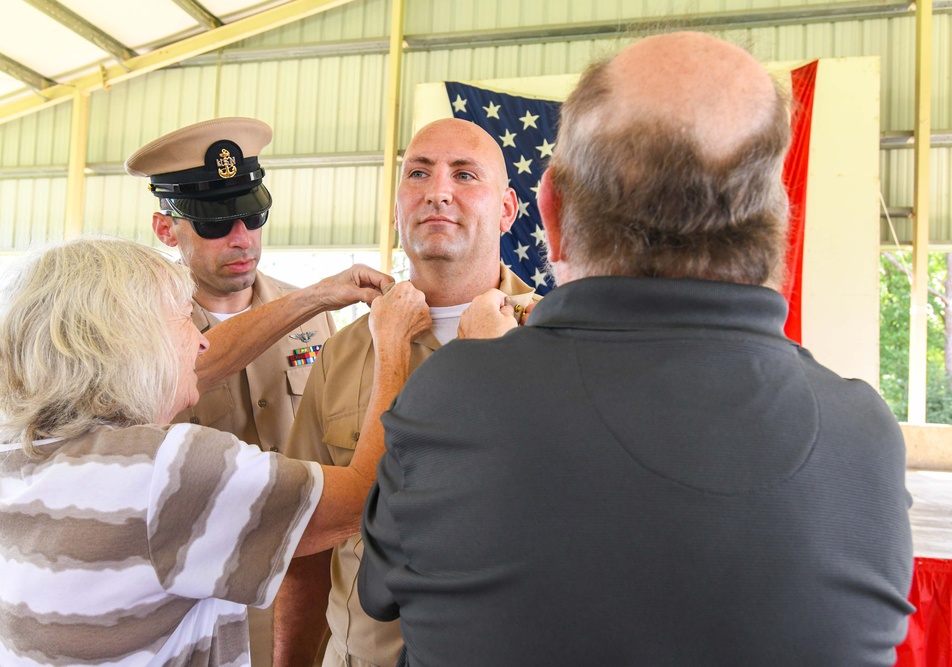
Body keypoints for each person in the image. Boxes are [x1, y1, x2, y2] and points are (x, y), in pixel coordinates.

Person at [358, 32, 915, 666]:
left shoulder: (454, 392)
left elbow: (379, 592)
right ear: (774, 223)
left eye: (464, 175)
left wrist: (472, 374)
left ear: (549, 210)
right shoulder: (865, 437)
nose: (439, 192)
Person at [0, 237, 431, 666]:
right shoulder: (164, 472)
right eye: (180, 318)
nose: (202, 339)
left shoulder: (9, 460)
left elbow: (191, 372)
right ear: (126, 343)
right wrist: (390, 347)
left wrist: (314, 297)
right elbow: (359, 498)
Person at [274, 118, 539, 667]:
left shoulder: (558, 340)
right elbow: (305, 540)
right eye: (419, 173)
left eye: (465, 175)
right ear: (398, 204)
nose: (438, 190)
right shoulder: (343, 353)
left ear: (509, 209)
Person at [126, 117, 386, 662]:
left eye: (251, 214)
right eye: (216, 222)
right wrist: (310, 299)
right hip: (187, 598)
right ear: (164, 227)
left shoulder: (318, 319)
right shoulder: (137, 332)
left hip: (299, 581)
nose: (241, 237)